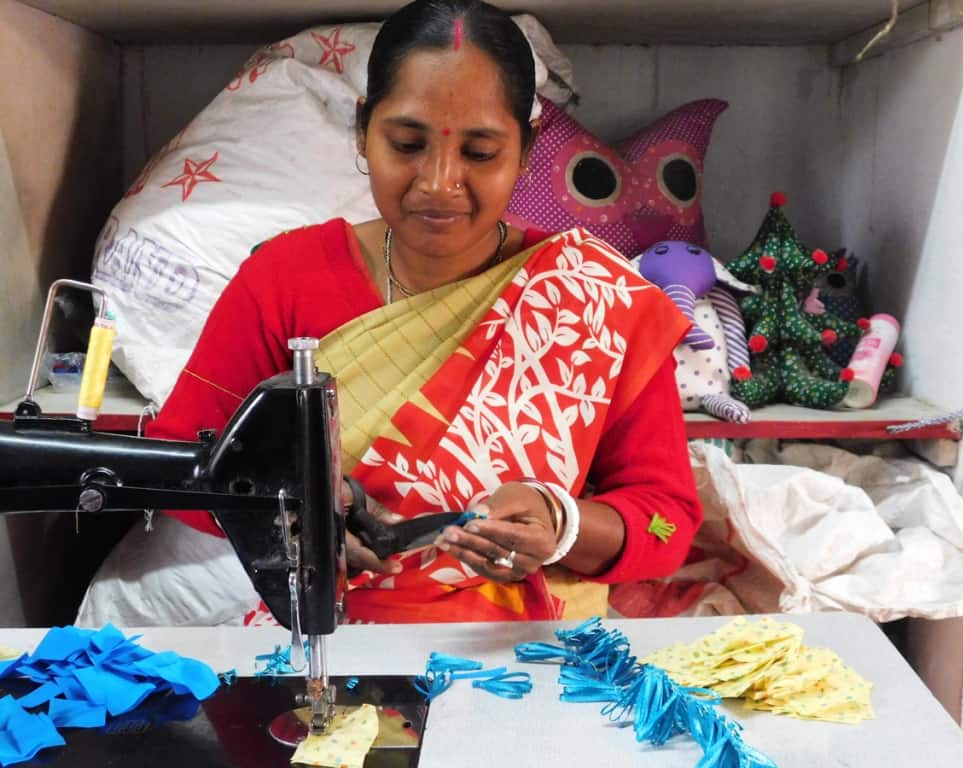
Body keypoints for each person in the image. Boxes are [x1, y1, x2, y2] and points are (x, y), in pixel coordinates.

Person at [146, 0, 702, 624]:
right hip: (325, 641)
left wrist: (561, 521)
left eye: (481, 152)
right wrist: (294, 511)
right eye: (407, 144)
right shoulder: (284, 278)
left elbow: (667, 522)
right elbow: (180, 466)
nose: (439, 182)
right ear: (363, 129)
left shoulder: (595, 299)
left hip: (517, 660)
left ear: (528, 146)